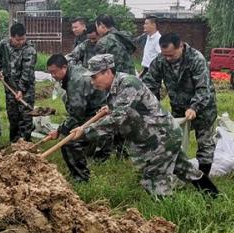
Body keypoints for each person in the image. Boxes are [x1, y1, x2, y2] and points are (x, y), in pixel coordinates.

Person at [69, 55, 218, 197]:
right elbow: (124, 108)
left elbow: (118, 118)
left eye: (94, 77)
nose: (92, 82)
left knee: (153, 181)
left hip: (161, 137)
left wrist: (85, 131)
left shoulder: (128, 83)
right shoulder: (115, 86)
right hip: (155, 136)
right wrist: (110, 109)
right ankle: (215, 197)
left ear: (107, 72)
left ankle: (167, 218)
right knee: (186, 170)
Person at [142, 32, 218, 177]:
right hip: (178, 108)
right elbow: (150, 84)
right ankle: (178, 173)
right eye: (165, 55)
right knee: (175, 140)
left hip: (203, 108)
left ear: (180, 47)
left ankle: (203, 178)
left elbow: (203, 88)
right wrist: (150, 106)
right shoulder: (160, 61)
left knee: (205, 144)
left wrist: (194, 107)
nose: (168, 58)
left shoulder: (196, 59)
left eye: (171, 55)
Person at [43, 54, 102, 182]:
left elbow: (76, 114)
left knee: (69, 143)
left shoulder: (76, 81)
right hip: (91, 110)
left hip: (101, 114)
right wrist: (59, 130)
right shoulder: (73, 71)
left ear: (64, 67)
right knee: (73, 132)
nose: (53, 76)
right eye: (50, 73)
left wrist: (60, 130)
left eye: (54, 72)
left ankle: (81, 178)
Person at [0, 22, 38, 142]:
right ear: (11, 37)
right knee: (13, 116)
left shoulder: (29, 50)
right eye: (18, 40)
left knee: (26, 116)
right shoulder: (3, 45)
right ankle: (14, 143)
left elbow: (27, 72)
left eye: (23, 39)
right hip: (10, 87)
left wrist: (21, 90)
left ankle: (25, 143)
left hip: (26, 89)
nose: (21, 42)